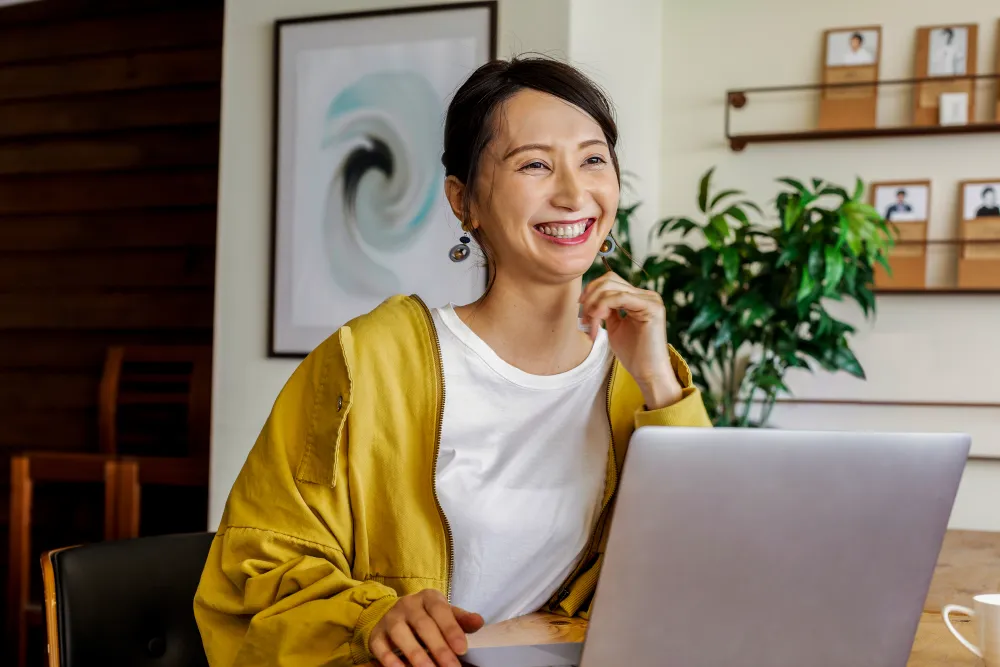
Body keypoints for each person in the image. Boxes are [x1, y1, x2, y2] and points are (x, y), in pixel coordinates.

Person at [193, 56, 711, 667]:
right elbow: (253, 568)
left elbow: (705, 571)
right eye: (535, 164)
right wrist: (373, 617)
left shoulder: (644, 376)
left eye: (593, 159)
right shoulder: (369, 359)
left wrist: (657, 382)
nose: (574, 193)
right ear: (464, 200)